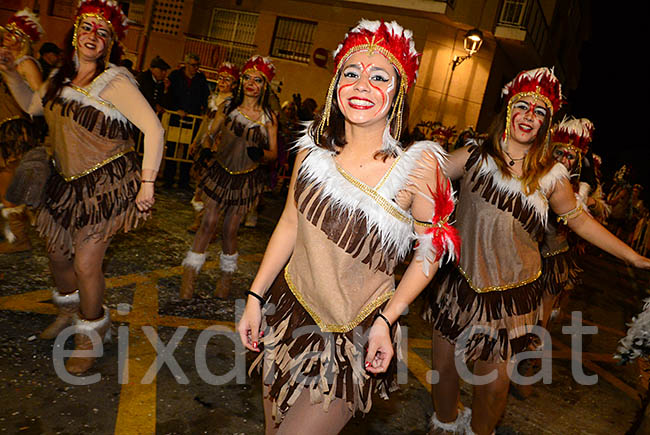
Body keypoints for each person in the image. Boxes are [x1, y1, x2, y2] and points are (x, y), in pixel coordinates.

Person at [237, 20, 459, 433]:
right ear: (335, 85)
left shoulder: (418, 166)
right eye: (351, 74)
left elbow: (430, 254)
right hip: (287, 313)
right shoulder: (312, 153)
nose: (362, 85)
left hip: (351, 335)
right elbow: (288, 225)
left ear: (398, 93)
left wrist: (387, 320)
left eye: (379, 77)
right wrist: (254, 294)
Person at [423, 67, 650, 434]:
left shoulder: (551, 176)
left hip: (511, 298)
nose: (529, 116)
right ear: (508, 110)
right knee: (444, 371)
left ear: (545, 124)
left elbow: (581, 222)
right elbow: (418, 174)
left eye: (539, 112)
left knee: (494, 388)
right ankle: (446, 425)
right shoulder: (473, 155)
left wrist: (633, 257)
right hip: (458, 284)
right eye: (523, 106)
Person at [0, 0, 164, 374]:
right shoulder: (61, 75)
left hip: (104, 186)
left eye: (102, 32)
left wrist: (147, 184)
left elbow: (154, 129)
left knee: (86, 263)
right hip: (63, 183)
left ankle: (90, 335)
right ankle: (70, 313)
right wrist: (11, 74)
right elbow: (32, 107)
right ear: (75, 31)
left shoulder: (115, 81)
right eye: (87, 28)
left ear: (110, 43)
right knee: (58, 255)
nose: (93, 36)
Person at [179, 55, 278, 300]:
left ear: (265, 85)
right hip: (220, 172)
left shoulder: (268, 118)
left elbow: (273, 153)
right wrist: (204, 145)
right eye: (247, 78)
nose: (251, 84)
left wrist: (262, 154)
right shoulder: (229, 107)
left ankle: (226, 278)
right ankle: (189, 278)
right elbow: (212, 132)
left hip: (245, 178)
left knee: (229, 228)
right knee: (208, 221)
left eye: (258, 80)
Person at [0, 8, 44, 254]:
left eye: (14, 33)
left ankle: (22, 238)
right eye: (7, 32)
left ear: (25, 39)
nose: (8, 37)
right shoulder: (7, 60)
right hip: (4, 129)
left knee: (9, 186)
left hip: (15, 131)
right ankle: (22, 232)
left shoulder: (26, 63)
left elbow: (39, 97)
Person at [187, 61, 239, 232]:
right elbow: (205, 122)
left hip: (219, 149)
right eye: (221, 78)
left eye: (228, 79)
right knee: (200, 183)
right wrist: (196, 141)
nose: (223, 82)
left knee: (213, 186)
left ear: (234, 84)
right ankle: (200, 220)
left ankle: (210, 224)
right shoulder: (212, 99)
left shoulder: (233, 104)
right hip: (206, 145)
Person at [162, 52, 210, 190]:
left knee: (189, 151)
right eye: (193, 65)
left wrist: (205, 111)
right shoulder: (175, 76)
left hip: (192, 118)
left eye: (197, 66)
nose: (195, 68)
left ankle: (184, 180)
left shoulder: (201, 79)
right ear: (186, 64)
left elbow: (205, 97)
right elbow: (168, 95)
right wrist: (176, 109)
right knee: (172, 148)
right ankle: (168, 179)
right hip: (176, 117)